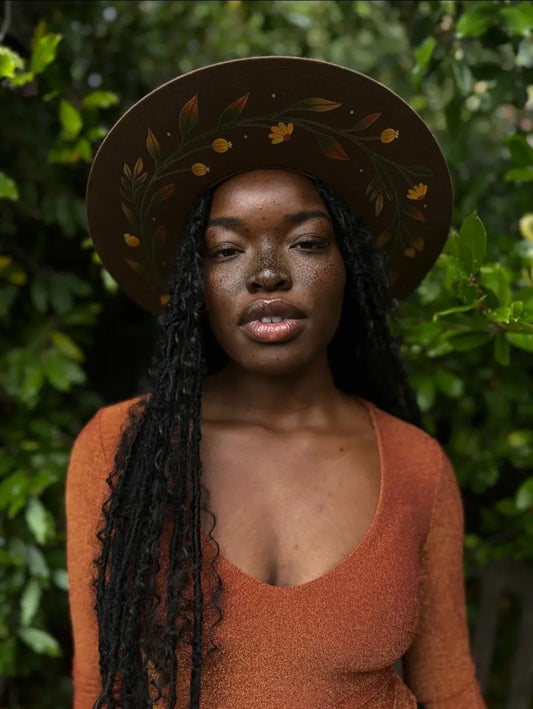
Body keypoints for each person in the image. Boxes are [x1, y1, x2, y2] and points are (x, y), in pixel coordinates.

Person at [66, 57, 486, 708]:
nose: (266, 275)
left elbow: (451, 690)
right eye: (226, 249)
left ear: (350, 265)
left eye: (306, 243)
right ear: (194, 283)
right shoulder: (119, 447)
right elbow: (102, 689)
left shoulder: (415, 466)